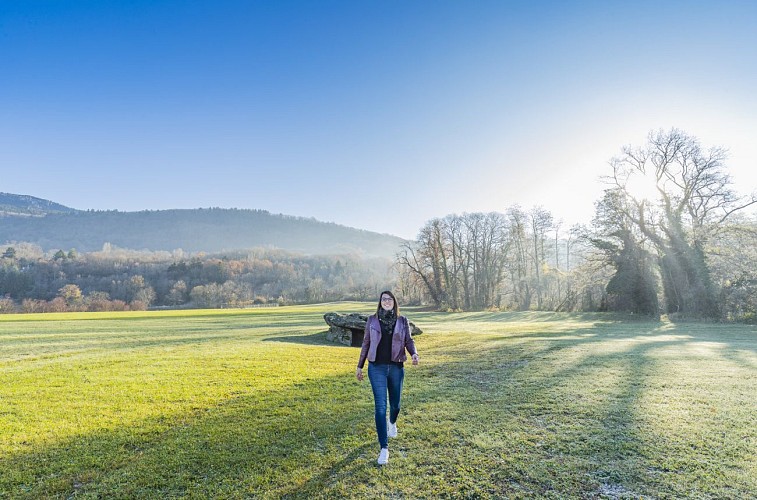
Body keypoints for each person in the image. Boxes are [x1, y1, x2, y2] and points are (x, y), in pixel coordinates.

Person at [356, 290, 419, 465]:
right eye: (384, 299)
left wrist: (414, 353)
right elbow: (366, 343)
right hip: (376, 367)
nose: (386, 302)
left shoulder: (402, 321)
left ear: (394, 302)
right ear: (380, 302)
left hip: (396, 367)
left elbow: (408, 341)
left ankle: (393, 423)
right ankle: (384, 448)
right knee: (380, 407)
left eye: (389, 299)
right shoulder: (372, 320)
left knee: (395, 405)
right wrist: (360, 365)